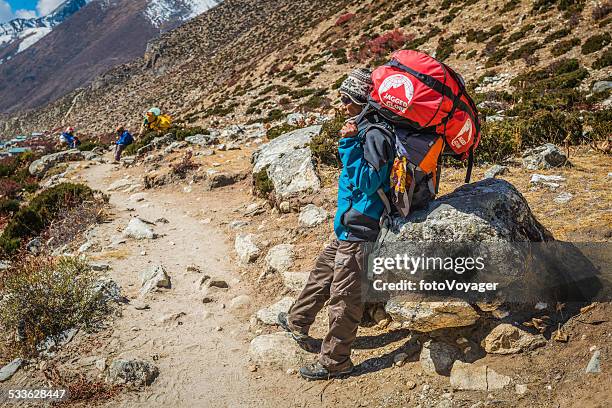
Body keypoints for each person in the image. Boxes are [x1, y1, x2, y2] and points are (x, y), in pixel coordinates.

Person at [277, 68, 395, 380]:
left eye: (346, 99)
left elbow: (369, 182)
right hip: (347, 226)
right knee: (321, 274)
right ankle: (297, 321)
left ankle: (336, 361)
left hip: (361, 229)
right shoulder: (365, 129)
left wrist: (347, 143)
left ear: (363, 101)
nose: (340, 105)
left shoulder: (376, 135)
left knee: (345, 296)